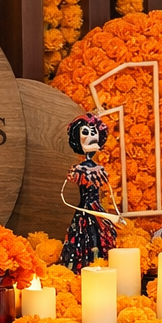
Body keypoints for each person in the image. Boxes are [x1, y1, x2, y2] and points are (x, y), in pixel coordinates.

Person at [60, 114, 118, 270]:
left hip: (98, 211)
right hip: (85, 211)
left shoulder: (99, 169)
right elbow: (64, 195)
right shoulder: (79, 169)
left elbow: (110, 191)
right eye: (85, 132)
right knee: (84, 237)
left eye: (93, 132)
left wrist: (115, 212)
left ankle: (101, 266)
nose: (91, 136)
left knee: (102, 236)